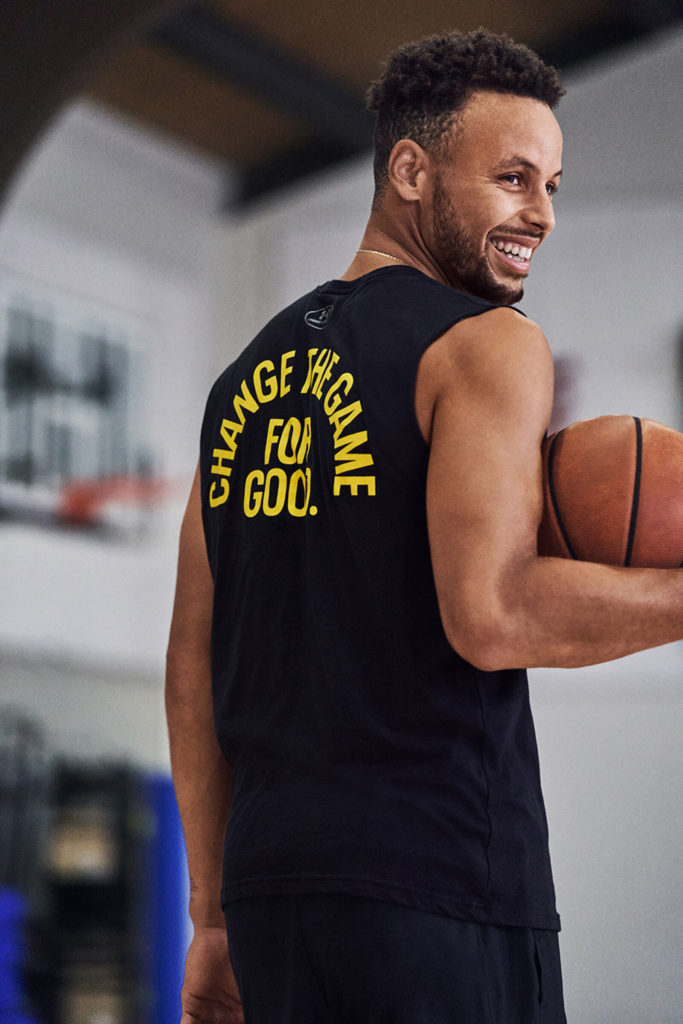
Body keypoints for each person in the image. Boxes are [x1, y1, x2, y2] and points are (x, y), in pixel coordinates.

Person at [166, 28, 683, 1024]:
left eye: (551, 186)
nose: (540, 213)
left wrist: (211, 913)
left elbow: (192, 662)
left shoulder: (240, 384)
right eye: (511, 178)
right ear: (409, 170)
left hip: (273, 892)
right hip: (435, 880)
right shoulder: (484, 342)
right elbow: (492, 612)